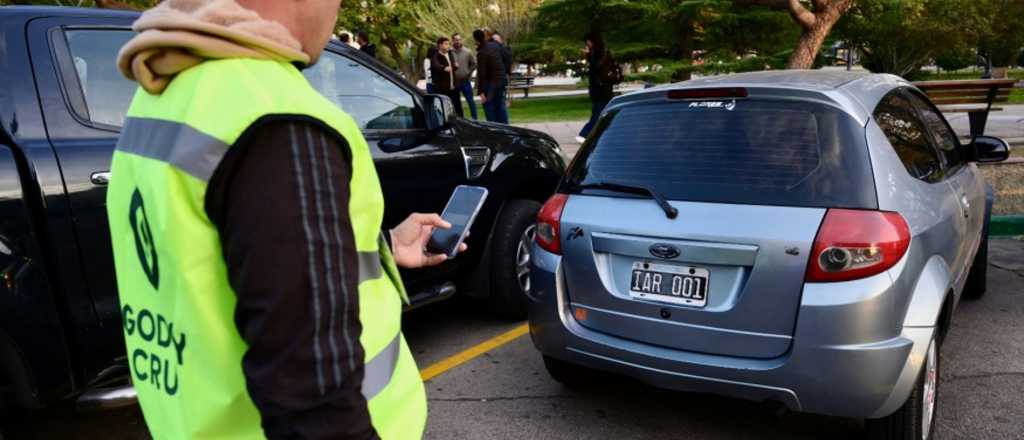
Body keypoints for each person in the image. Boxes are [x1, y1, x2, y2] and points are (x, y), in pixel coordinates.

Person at [109, 0, 454, 437]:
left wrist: (380, 245)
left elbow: (216, 262)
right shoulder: (274, 114)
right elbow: (312, 400)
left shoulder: (167, 90)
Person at [577, 32, 616, 143]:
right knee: (602, 111)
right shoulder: (598, 52)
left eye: (588, 41)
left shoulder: (601, 53)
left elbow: (597, 68)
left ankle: (585, 133)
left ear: (593, 41)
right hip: (600, 88)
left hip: (602, 88)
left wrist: (589, 55)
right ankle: (601, 133)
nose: (587, 44)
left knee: (599, 112)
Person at [474, 28, 509, 124]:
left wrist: (481, 91)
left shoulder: (482, 52)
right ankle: (505, 127)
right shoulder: (496, 45)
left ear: (477, 40)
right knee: (500, 106)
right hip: (501, 80)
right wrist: (505, 72)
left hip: (491, 83)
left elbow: (482, 73)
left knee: (489, 106)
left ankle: (494, 128)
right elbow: (507, 57)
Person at [431, 36, 463, 117]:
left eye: (448, 44)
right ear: (440, 45)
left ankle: (461, 122)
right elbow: (436, 66)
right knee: (446, 109)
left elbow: (451, 69)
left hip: (454, 86)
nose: (448, 46)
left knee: (458, 107)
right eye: (446, 44)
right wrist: (444, 68)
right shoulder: (436, 56)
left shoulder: (450, 54)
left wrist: (455, 66)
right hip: (443, 88)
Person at [450, 33, 478, 120]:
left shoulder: (468, 52)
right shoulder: (449, 52)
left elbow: (473, 64)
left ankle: (475, 119)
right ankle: (460, 119)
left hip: (465, 81)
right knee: (456, 103)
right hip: (454, 82)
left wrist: (468, 73)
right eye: (456, 40)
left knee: (470, 101)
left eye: (459, 39)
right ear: (453, 41)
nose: (458, 41)